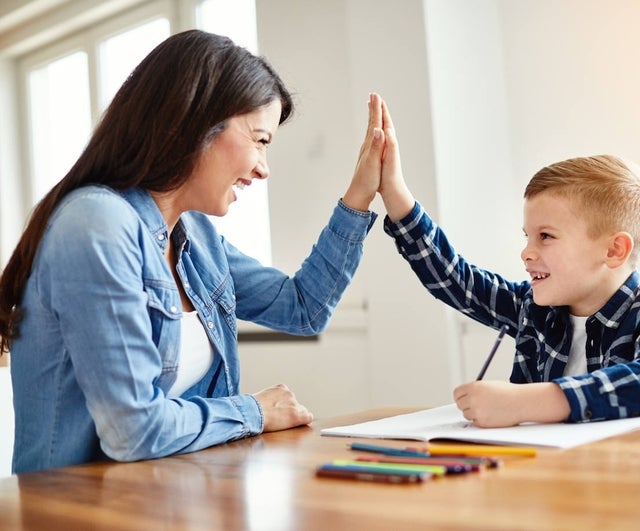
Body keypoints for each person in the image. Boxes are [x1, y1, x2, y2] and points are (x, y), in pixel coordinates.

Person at [0, 30, 391, 474]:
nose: (264, 169)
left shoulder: (196, 236)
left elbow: (303, 309)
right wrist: (255, 411)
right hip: (76, 512)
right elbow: (135, 431)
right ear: (194, 123)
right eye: (260, 140)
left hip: (175, 498)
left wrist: (360, 195)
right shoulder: (97, 226)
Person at [376, 102, 640, 427]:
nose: (526, 253)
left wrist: (525, 403)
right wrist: (395, 194)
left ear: (614, 250)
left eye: (545, 236)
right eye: (526, 236)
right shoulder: (532, 307)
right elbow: (455, 279)